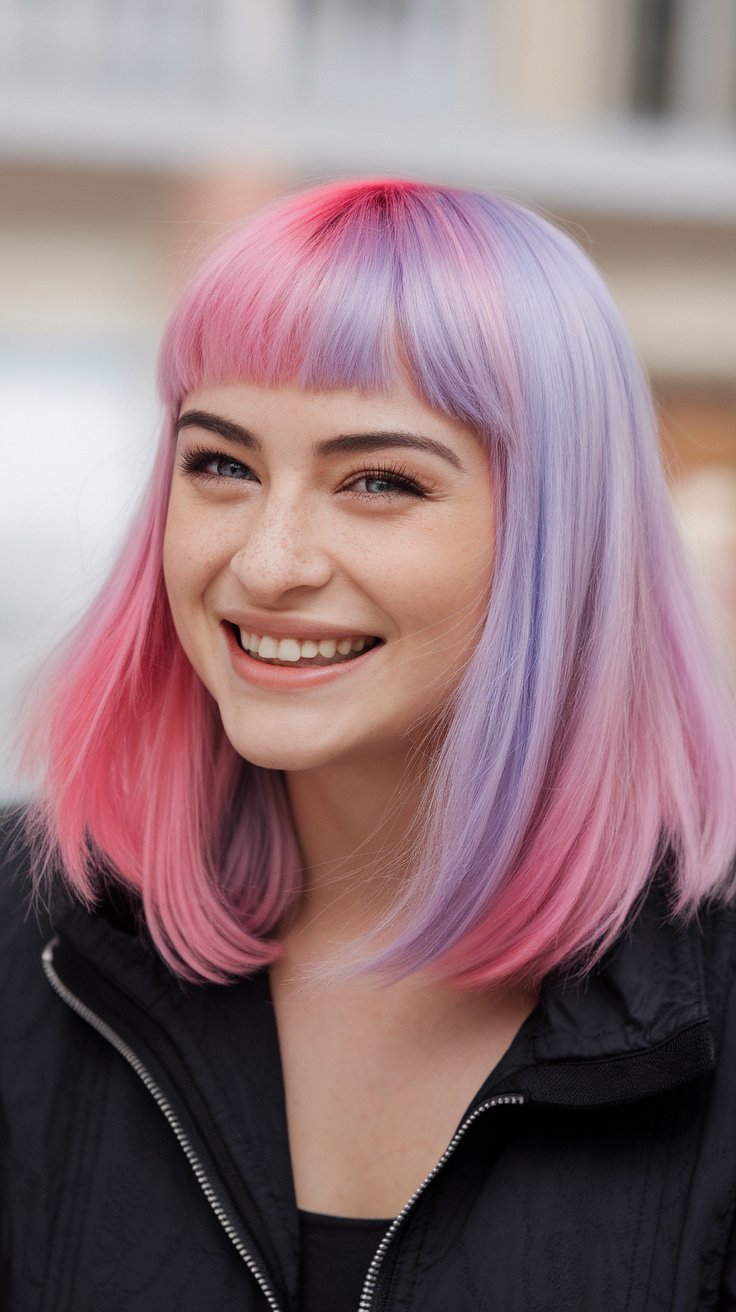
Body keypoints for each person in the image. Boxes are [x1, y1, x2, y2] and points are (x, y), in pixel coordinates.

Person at [3, 178, 736, 1312]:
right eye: (222, 465)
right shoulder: (23, 929)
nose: (266, 560)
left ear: (557, 532)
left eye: (378, 480)